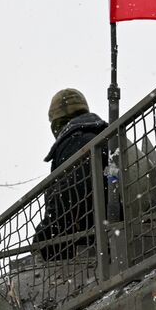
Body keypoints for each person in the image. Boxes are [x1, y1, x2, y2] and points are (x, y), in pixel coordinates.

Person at [34, 88, 107, 261]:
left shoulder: (75, 142)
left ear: (56, 124)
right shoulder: (103, 136)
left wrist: (45, 237)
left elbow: (69, 195)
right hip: (106, 232)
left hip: (92, 245)